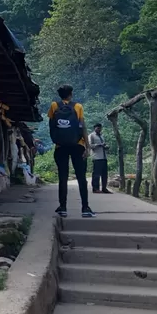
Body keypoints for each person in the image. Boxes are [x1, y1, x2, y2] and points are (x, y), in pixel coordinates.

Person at [48, 84, 95, 218]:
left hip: (60, 146)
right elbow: (83, 126)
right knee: (81, 177)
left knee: (63, 177)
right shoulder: (78, 106)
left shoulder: (54, 106)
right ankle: (85, 208)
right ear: (71, 94)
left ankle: (63, 207)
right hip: (77, 145)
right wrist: (87, 146)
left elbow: (52, 125)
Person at [89, 123, 111, 194]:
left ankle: (104, 188)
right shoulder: (91, 136)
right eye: (98, 128)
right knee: (96, 174)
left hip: (104, 157)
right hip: (97, 157)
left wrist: (106, 146)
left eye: (100, 128)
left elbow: (103, 145)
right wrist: (99, 145)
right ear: (94, 128)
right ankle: (95, 188)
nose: (99, 129)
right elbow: (90, 145)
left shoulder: (102, 136)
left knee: (104, 174)